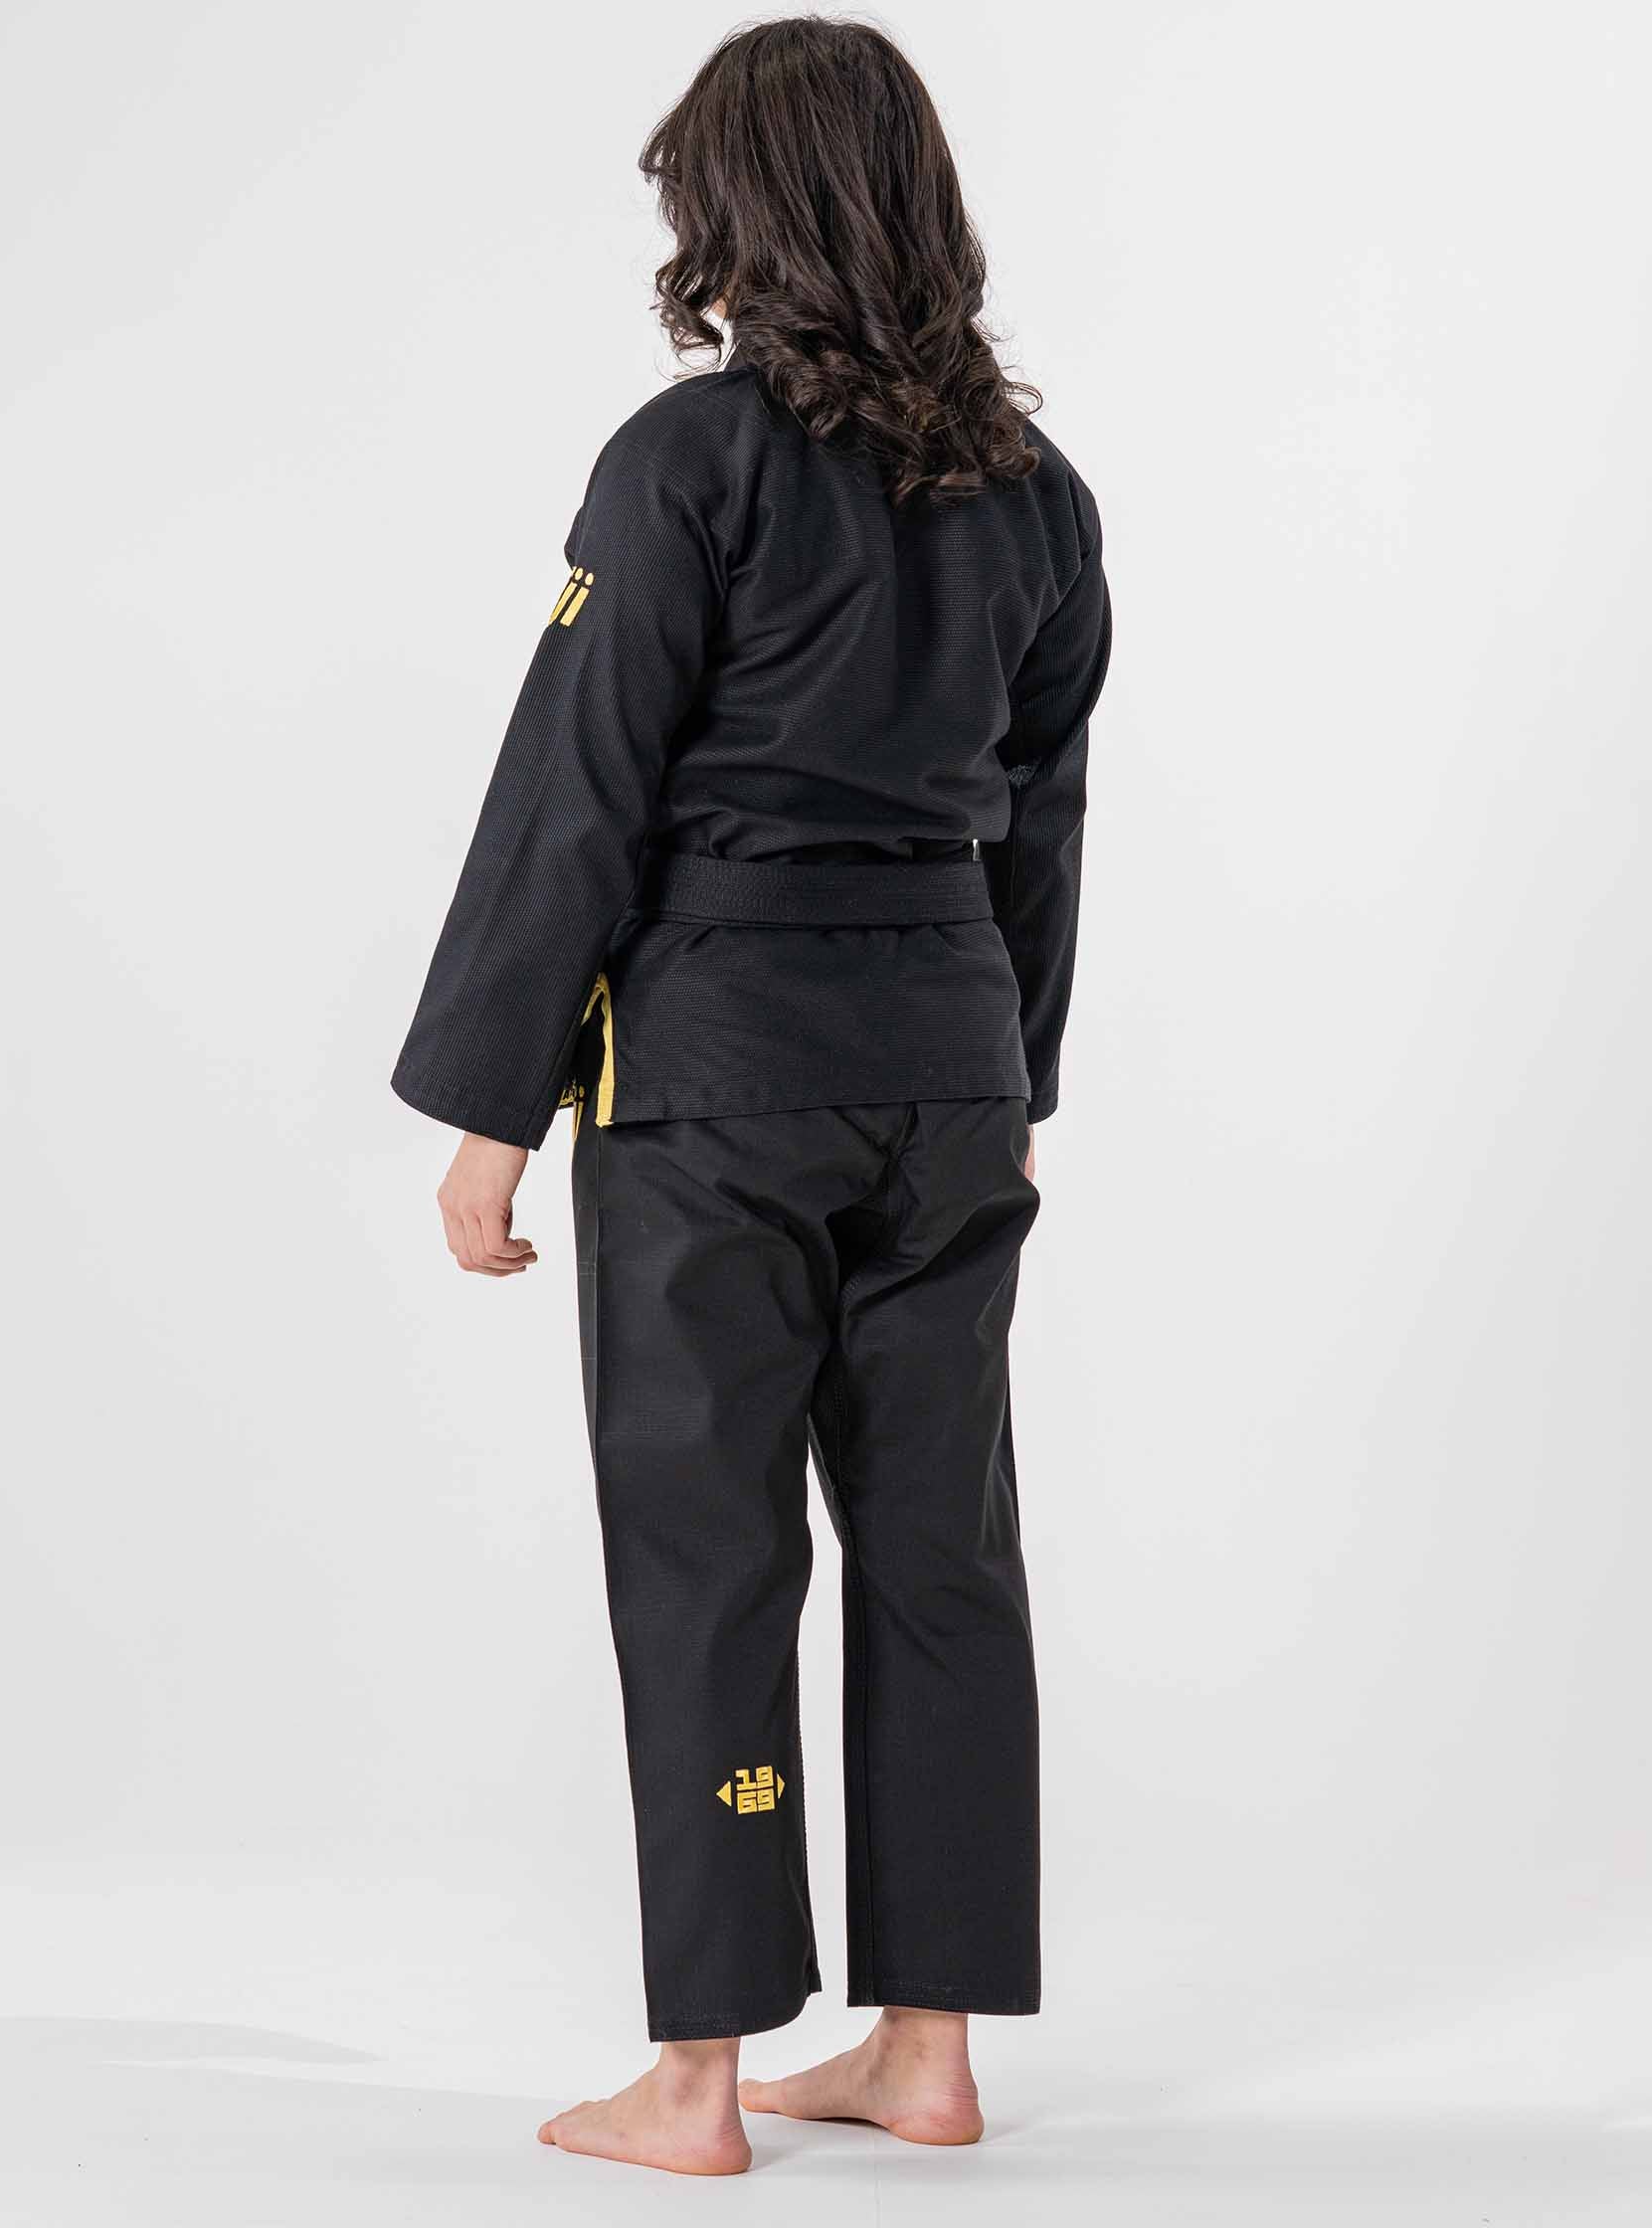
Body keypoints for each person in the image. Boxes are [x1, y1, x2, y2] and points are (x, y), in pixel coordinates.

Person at [393, 16, 1110, 2178]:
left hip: (716, 1081)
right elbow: (1042, 816)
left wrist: (494, 1102)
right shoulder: (1036, 494)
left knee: (710, 1554)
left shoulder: (686, 463)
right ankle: (927, 2049)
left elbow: (581, 786)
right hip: (949, 1075)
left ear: (737, 212)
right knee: (942, 1547)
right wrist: (1015, 1073)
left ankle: (698, 2080)